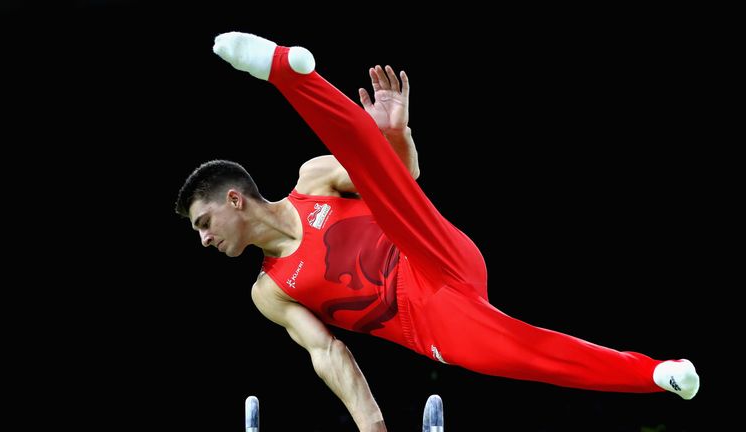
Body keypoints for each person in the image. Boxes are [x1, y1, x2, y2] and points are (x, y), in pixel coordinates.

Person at [175, 31, 700, 432]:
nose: (203, 239)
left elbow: (399, 181)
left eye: (204, 223)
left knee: (377, 168)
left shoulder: (312, 181)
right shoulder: (269, 291)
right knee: (527, 356)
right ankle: (654, 373)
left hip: (426, 251)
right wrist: (373, 427)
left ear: (234, 199)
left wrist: (396, 137)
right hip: (433, 321)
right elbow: (329, 356)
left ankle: (289, 72)